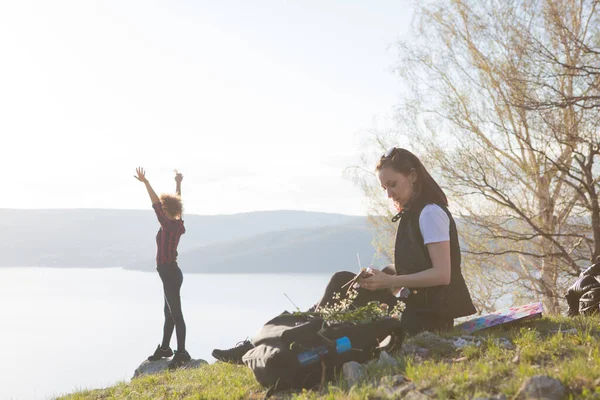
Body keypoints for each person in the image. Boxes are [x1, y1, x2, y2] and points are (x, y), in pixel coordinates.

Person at [211, 147, 476, 363]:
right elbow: (417, 264)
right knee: (344, 283)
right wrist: (386, 274)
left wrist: (390, 283)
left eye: (392, 184)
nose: (388, 193)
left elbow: (442, 274)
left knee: (340, 289)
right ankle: (266, 342)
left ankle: (264, 344)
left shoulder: (430, 213)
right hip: (415, 306)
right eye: (384, 188)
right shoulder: (413, 212)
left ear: (413, 176)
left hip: (429, 315)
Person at [134, 167, 191, 369]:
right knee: (169, 313)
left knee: (176, 314)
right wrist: (178, 184)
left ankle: (182, 352)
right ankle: (166, 348)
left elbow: (155, 204)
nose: (161, 209)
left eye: (164, 208)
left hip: (169, 273)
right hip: (172, 273)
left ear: (166, 209)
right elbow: (177, 204)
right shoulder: (177, 223)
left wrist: (146, 183)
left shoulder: (167, 224)